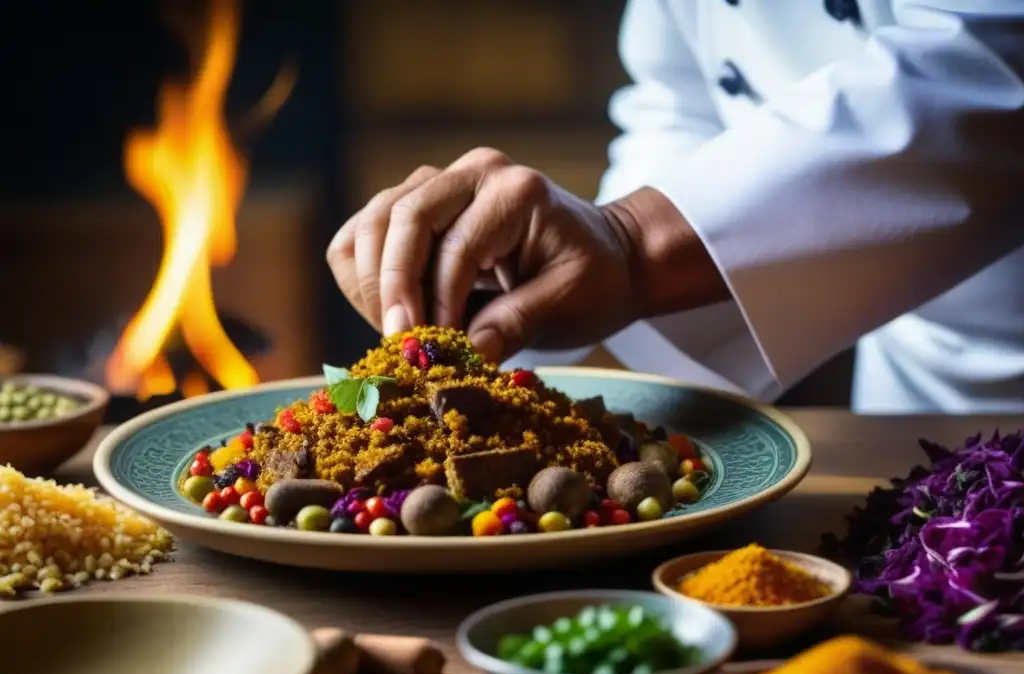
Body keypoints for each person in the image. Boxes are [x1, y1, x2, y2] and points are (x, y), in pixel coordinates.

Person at [327, 0, 1024, 414]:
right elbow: (681, 100)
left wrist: (633, 244)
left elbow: (988, 70)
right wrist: (599, 255)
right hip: (912, 389)